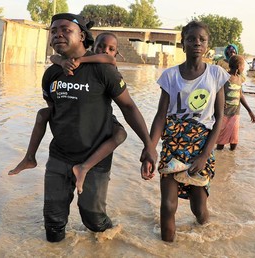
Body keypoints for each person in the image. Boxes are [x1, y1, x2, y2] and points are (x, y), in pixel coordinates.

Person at [39, 13, 157, 243]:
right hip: (59, 156)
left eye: (65, 29)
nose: (57, 34)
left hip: (95, 156)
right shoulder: (51, 73)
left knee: (93, 219)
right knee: (52, 223)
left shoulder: (103, 71)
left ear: (82, 35)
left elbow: (129, 107)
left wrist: (149, 146)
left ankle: (112, 245)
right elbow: (53, 110)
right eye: (53, 31)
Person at [141, 20, 229, 242]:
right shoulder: (170, 76)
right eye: (191, 39)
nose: (197, 43)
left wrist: (204, 155)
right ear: (183, 44)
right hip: (173, 143)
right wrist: (150, 149)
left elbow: (219, 119)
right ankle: (166, 249)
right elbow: (161, 116)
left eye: (202, 39)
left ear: (208, 45)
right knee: (167, 205)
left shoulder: (216, 74)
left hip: (201, 144)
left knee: (198, 208)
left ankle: (205, 236)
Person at [9, 32, 125, 196]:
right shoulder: (69, 67)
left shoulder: (107, 65)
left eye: (111, 49)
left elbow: (109, 59)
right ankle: (29, 157)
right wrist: (62, 60)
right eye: (101, 46)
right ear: (93, 47)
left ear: (116, 53)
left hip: (101, 116)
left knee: (121, 134)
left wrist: (79, 60)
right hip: (78, 116)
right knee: (43, 114)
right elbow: (52, 58)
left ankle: (85, 166)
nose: (105, 51)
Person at [216, 55, 255, 151]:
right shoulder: (225, 77)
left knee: (234, 139)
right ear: (239, 66)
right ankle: (220, 158)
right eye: (243, 65)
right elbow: (217, 91)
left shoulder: (239, 78)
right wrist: (220, 104)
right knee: (221, 141)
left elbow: (240, 95)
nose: (244, 68)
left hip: (235, 113)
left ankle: (231, 158)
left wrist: (250, 111)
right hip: (224, 113)